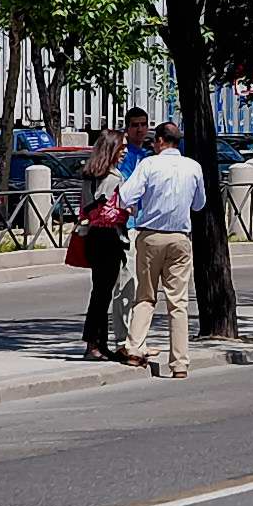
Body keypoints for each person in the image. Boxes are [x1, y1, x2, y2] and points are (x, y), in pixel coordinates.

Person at [115, 123, 206, 378]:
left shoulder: (149, 164)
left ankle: (134, 349)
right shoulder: (194, 167)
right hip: (180, 239)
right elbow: (199, 205)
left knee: (145, 295)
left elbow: (125, 196)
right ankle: (179, 364)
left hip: (150, 236)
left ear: (160, 141)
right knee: (178, 302)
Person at [79, 131, 130, 360]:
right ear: (112, 149)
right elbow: (110, 209)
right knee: (102, 294)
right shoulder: (112, 177)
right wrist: (126, 211)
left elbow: (87, 207)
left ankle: (98, 342)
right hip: (109, 237)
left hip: (92, 237)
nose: (125, 151)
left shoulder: (89, 175)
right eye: (122, 148)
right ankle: (94, 344)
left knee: (99, 291)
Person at [111, 107, 151, 351]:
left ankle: (136, 337)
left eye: (143, 124)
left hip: (144, 225)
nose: (140, 129)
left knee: (140, 284)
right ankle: (122, 337)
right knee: (125, 281)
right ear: (127, 127)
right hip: (125, 225)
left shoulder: (147, 157)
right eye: (135, 125)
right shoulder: (123, 156)